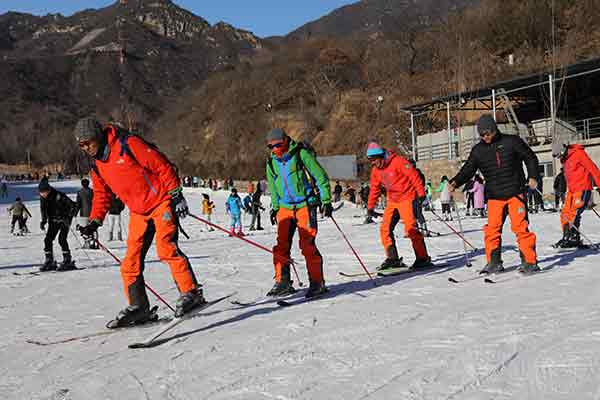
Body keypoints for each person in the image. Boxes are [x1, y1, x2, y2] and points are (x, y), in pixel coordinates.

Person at [74, 117, 204, 326]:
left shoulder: (127, 144)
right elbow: (101, 194)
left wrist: (176, 195)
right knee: (130, 263)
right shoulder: (97, 165)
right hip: (138, 212)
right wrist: (94, 221)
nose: (85, 148)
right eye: (81, 145)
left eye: (88, 142)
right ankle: (139, 307)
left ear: (98, 136)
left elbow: (161, 165)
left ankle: (191, 292)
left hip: (161, 201)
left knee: (166, 248)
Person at [449, 114, 540, 274]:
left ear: (495, 129)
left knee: (521, 228)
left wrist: (533, 176)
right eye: (482, 135)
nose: (486, 137)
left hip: (515, 193)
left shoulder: (512, 141)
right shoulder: (478, 151)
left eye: (488, 133)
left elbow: (530, 157)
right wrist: (455, 182)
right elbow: (468, 169)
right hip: (494, 197)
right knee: (492, 230)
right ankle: (494, 262)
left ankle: (530, 261)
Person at [265, 128, 332, 298]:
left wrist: (326, 200)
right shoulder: (271, 162)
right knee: (281, 246)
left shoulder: (301, 154)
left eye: (278, 145)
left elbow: (320, 176)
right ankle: (283, 281)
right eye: (270, 147)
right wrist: (275, 207)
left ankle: (317, 282)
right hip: (285, 207)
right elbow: (273, 186)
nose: (275, 149)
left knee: (307, 245)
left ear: (286, 141)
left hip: (305, 205)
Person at [366, 142, 431, 270]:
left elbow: (414, 176)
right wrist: (370, 207)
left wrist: (421, 193)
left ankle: (422, 257)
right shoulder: (376, 171)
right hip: (393, 200)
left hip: (407, 197)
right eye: (371, 161)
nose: (373, 163)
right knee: (385, 228)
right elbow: (374, 188)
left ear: (380, 156)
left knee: (410, 228)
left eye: (374, 160)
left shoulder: (398, 162)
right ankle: (392, 258)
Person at [552, 142, 600, 248]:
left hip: (583, 188)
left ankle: (573, 237)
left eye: (559, 155)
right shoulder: (564, 159)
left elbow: (593, 168)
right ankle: (567, 236)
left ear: (563, 150)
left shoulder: (579, 154)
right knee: (565, 213)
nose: (560, 158)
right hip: (572, 191)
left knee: (575, 212)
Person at [39, 180, 77, 271]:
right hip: (53, 220)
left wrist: (67, 216)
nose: (42, 194)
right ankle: (49, 260)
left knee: (62, 239)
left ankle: (67, 259)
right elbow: (43, 210)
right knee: (47, 239)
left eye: (43, 192)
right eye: (40, 192)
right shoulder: (43, 198)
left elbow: (73, 206)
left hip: (64, 220)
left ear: (48, 190)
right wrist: (44, 221)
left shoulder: (59, 195)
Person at [74, 178, 98, 249]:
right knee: (93, 229)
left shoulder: (80, 192)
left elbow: (78, 204)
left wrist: (75, 213)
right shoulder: (92, 192)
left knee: (85, 230)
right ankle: (94, 243)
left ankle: (87, 243)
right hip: (93, 213)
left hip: (84, 214)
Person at [409, 159, 429, 236]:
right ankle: (418, 230)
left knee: (417, 213)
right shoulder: (418, 173)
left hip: (417, 195)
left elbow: (421, 184)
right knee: (415, 213)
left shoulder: (416, 173)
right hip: (414, 195)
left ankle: (423, 230)